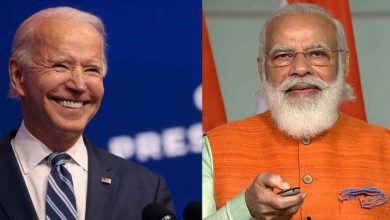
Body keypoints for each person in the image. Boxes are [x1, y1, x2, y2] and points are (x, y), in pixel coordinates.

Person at [203, 3, 390, 220]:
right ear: (262, 68)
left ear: (344, 63)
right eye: (282, 55)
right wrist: (245, 209)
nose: (300, 68)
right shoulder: (215, 147)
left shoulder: (385, 147)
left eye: (317, 53)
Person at [0, 7, 174, 220]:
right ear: (18, 76)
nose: (79, 85)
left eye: (92, 69)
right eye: (61, 65)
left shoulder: (146, 191)